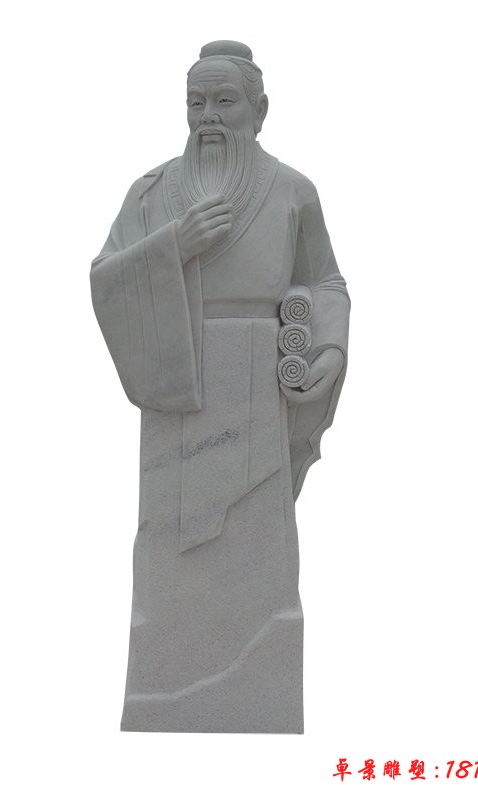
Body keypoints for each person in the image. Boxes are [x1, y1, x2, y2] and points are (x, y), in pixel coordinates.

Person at [90, 40, 350, 733]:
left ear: (259, 111)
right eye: (196, 102)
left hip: (260, 384)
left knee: (257, 547)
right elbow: (105, 277)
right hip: (180, 380)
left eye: (224, 101)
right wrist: (174, 244)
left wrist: (328, 345)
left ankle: (253, 686)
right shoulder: (152, 194)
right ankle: (168, 693)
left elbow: (325, 281)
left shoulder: (293, 191)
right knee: (172, 548)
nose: (208, 116)